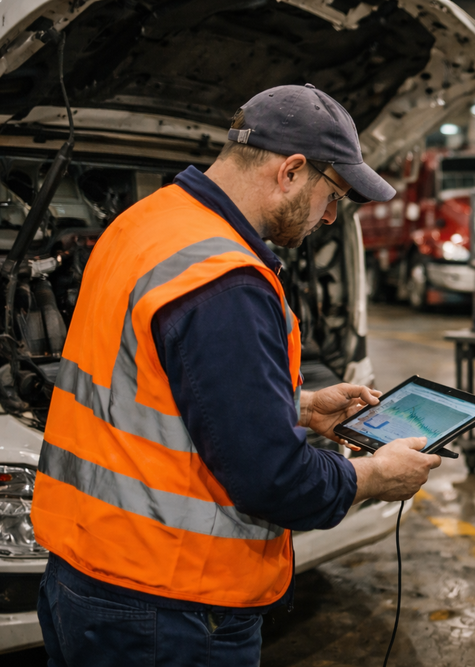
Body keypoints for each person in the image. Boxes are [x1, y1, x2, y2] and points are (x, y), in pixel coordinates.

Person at [31, 84, 442, 666]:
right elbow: (275, 481)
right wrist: (374, 476)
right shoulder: (225, 281)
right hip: (170, 606)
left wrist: (300, 408)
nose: (330, 216)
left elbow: (148, 383)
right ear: (291, 171)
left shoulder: (145, 223)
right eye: (332, 195)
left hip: (84, 572)